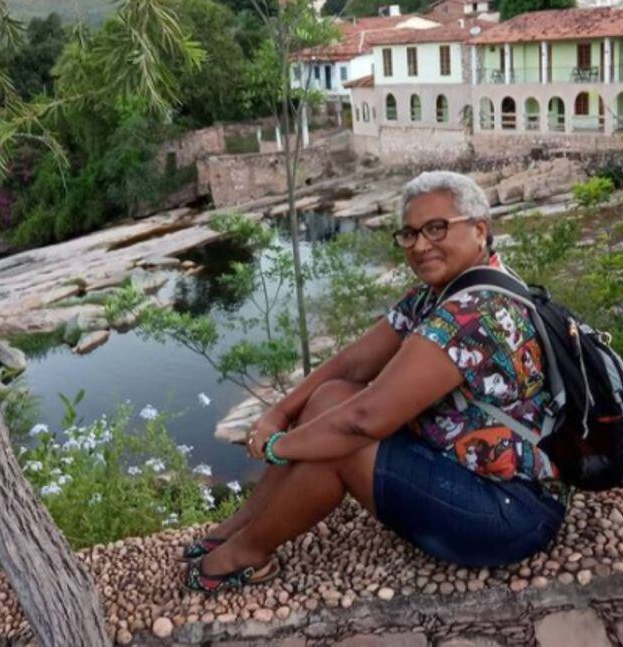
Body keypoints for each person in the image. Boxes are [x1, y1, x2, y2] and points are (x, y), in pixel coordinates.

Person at [182, 171, 567, 593]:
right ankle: (244, 522)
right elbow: (350, 367)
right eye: (410, 234)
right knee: (331, 397)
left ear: (479, 230)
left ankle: (246, 552)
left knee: (340, 444)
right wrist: (278, 412)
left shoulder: (478, 311)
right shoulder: (436, 295)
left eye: (437, 228)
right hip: (463, 473)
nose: (420, 245)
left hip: (511, 512)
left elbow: (365, 420)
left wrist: (278, 445)